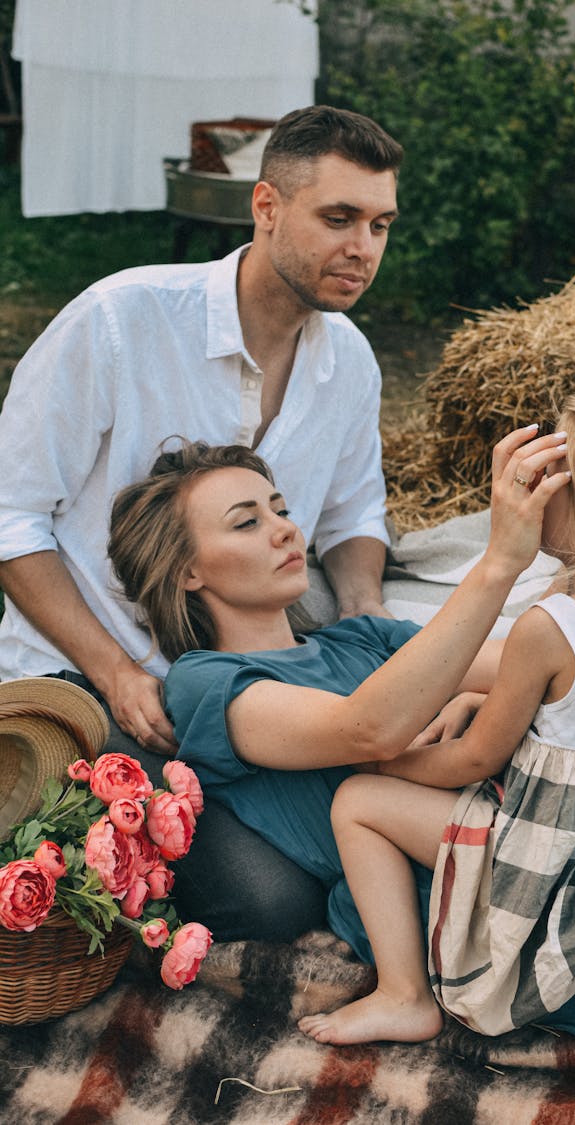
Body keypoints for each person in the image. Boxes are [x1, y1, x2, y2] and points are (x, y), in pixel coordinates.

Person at [0, 104, 404, 939]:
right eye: (338, 218)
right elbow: (11, 518)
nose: (362, 247)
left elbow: (355, 510)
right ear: (265, 208)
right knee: (274, 897)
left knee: (355, 839)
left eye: (379, 224)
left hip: (255, 682)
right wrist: (114, 670)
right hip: (104, 677)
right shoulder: (122, 318)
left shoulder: (351, 358)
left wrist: (364, 611)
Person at [295, 387, 575, 1047]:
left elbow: (476, 759)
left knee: (359, 803)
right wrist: (478, 698)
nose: (530, 492)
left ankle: (402, 994)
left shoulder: (546, 625)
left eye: (549, 481)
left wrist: (383, 758)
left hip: (556, 845)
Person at [106, 426, 569, 947]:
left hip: (531, 853)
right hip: (455, 919)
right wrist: (500, 561)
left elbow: (543, 657)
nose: (284, 530)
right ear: (188, 571)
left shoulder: (361, 637)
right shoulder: (204, 683)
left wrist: (570, 532)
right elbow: (369, 729)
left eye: (280, 511)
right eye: (247, 523)